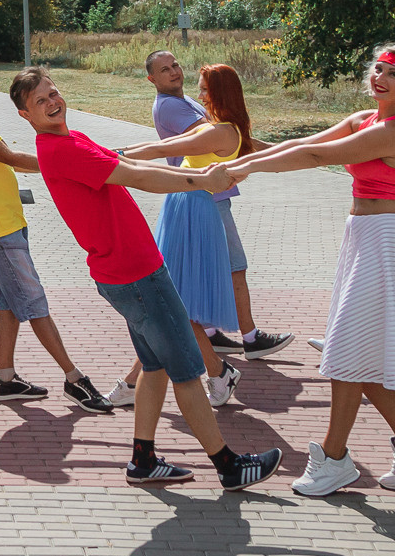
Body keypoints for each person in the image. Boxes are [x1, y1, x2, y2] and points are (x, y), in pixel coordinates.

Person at [17, 69, 284, 489]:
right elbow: (137, 177)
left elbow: (125, 161)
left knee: (156, 366)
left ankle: (143, 460)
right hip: (137, 276)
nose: (52, 102)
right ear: (24, 113)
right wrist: (203, 180)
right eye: (40, 101)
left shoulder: (72, 140)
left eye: (53, 93)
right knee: (186, 372)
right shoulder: (62, 149)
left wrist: (200, 175)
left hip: (131, 271)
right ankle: (228, 465)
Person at [217, 43, 395, 496]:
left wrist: (240, 169)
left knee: (347, 349)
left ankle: (333, 458)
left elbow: (314, 159)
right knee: (355, 353)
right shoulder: (366, 121)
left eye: (392, 73)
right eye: (377, 69)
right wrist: (243, 162)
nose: (379, 78)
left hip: (388, 242)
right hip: (365, 237)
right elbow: (302, 145)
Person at [0, 45, 108, 412]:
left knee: (10, 302)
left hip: (5, 218)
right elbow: (10, 157)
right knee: (33, 301)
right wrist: (68, 164)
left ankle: (5, 378)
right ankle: (75, 379)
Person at [143, 52, 292, 358]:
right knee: (234, 268)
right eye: (164, 70)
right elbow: (229, 140)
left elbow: (235, 139)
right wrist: (284, 155)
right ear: (152, 79)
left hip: (202, 196)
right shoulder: (173, 106)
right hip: (204, 198)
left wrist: (284, 153)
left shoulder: (187, 103)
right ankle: (250, 337)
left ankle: (209, 332)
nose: (173, 72)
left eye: (175, 65)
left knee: (202, 269)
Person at [116, 67, 246, 410]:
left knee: (173, 301)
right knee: (169, 301)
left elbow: (165, 148)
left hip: (194, 212)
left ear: (221, 95)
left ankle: (212, 373)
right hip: (183, 208)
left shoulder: (219, 132)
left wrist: (113, 155)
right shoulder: (223, 129)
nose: (200, 97)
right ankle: (208, 373)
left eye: (206, 92)